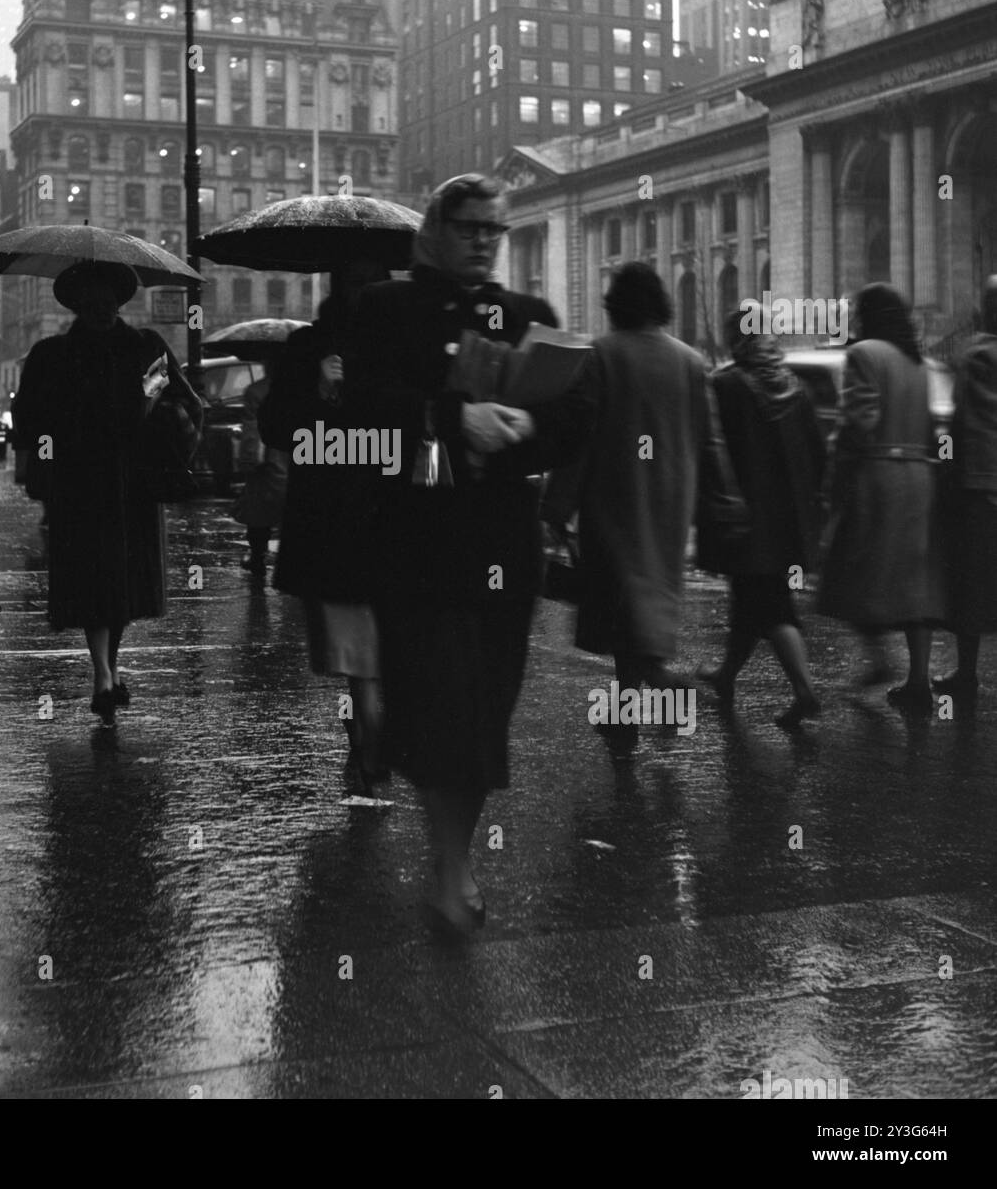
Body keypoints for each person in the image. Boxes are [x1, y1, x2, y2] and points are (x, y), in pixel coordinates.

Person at [348, 175, 563, 930]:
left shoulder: (530, 316)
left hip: (504, 542)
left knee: (483, 713)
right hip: (419, 546)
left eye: (494, 229)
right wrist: (448, 417)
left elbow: (571, 424)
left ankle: (453, 854)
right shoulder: (384, 308)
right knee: (444, 708)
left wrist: (529, 426)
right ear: (436, 227)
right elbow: (358, 420)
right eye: (469, 225)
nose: (482, 240)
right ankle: (451, 865)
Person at [11, 261, 201, 728]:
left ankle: (107, 671)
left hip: (114, 485)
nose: (101, 309)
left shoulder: (131, 350)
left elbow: (176, 399)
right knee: (107, 582)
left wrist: (160, 416)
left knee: (110, 584)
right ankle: (103, 673)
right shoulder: (73, 354)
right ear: (80, 306)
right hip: (98, 485)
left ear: (118, 302)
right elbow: (30, 420)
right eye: (92, 302)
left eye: (107, 300)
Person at [556, 262, 743, 697]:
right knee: (648, 600)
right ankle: (633, 698)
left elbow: (578, 437)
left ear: (615, 305)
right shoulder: (691, 361)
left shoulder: (599, 354)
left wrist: (557, 505)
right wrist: (724, 498)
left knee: (621, 602)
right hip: (669, 499)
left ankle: (661, 684)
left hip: (613, 497)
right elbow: (710, 441)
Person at [259, 259, 391, 798]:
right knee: (354, 643)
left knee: (374, 640)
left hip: (390, 510)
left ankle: (369, 728)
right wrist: (320, 391)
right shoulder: (305, 351)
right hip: (334, 517)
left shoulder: (396, 349)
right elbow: (276, 427)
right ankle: (368, 729)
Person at [817, 283, 946, 709]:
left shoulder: (863, 354)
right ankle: (919, 679)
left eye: (856, 310)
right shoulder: (921, 364)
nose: (852, 318)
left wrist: (836, 472)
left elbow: (859, 420)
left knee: (855, 567)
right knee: (914, 579)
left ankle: (876, 660)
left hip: (877, 476)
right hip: (919, 476)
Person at [697, 313, 827, 730]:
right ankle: (726, 674)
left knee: (771, 608)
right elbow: (818, 453)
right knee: (751, 601)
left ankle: (804, 691)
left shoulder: (725, 384)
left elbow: (712, 451)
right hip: (788, 523)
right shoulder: (796, 388)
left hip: (747, 520)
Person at [934, 276, 997, 703]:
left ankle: (967, 673)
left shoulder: (974, 354)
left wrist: (946, 462)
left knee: (972, 581)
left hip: (978, 484)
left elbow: (959, 422)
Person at [232, 370, 286, 583]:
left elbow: (251, 434)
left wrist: (247, 462)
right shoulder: (309, 387)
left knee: (258, 511)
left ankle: (257, 556)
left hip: (270, 460)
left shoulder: (258, 391)